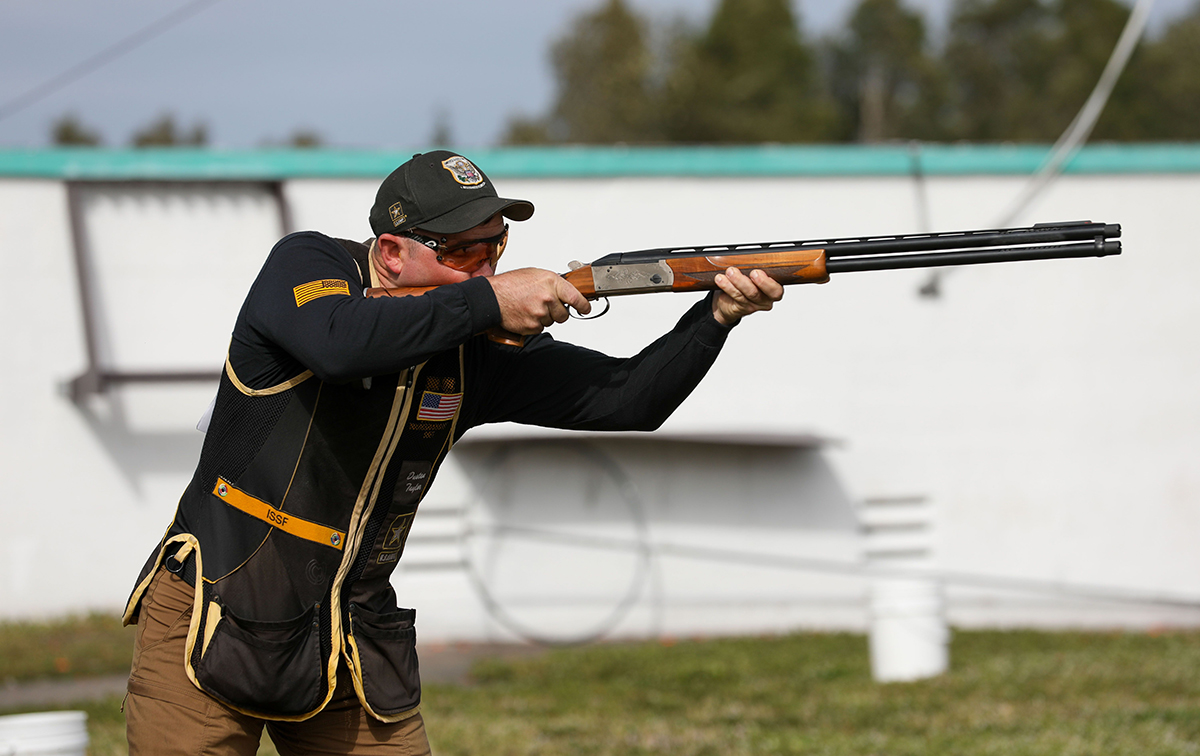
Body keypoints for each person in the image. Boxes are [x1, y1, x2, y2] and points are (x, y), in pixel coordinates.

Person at [121, 150, 783, 755]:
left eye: (497, 246)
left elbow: (629, 400)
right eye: (465, 252)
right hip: (218, 608)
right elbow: (340, 344)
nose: (489, 266)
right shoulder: (309, 265)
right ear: (390, 252)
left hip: (353, 631)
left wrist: (715, 317)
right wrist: (487, 300)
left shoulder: (479, 346)